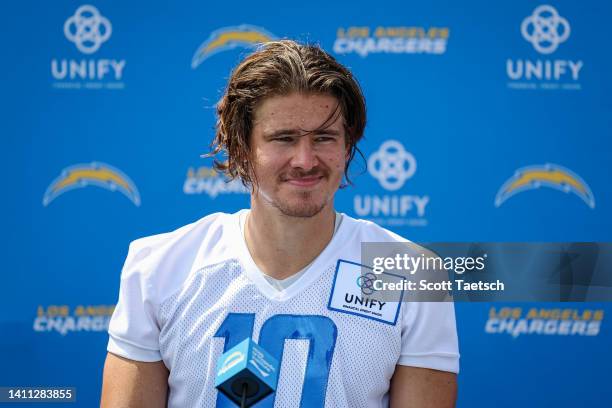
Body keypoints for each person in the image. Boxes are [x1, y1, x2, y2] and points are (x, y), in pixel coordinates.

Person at [100, 40, 459, 408]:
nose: (305, 160)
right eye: (283, 139)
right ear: (240, 148)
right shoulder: (160, 267)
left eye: (324, 137)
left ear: (347, 147)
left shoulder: (415, 275)